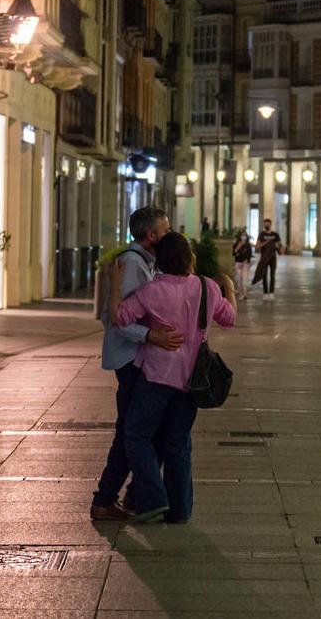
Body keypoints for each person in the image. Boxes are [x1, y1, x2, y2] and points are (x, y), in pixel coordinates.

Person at [110, 233, 236, 523]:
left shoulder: (152, 291)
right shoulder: (207, 287)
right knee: (178, 443)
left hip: (156, 377)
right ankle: (179, 510)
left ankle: (153, 499)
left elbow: (120, 317)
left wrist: (115, 284)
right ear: (189, 257)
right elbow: (229, 318)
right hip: (192, 380)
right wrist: (228, 288)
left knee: (136, 434)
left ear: (161, 261)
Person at [90, 207, 185, 522]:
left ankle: (132, 495)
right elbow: (116, 319)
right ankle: (107, 498)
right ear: (151, 235)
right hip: (130, 358)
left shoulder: (145, 262)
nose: (169, 233)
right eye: (165, 229)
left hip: (139, 356)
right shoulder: (132, 265)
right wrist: (151, 335)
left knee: (138, 430)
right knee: (131, 431)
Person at [251, 219, 283, 300]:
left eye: (268, 224)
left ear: (270, 224)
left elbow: (280, 245)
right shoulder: (262, 234)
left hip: (273, 257)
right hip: (264, 258)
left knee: (272, 275)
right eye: (265, 224)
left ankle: (271, 293)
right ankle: (265, 293)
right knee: (264, 275)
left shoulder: (275, 234)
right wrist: (266, 242)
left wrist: (278, 246)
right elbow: (257, 246)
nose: (267, 225)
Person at [232, 231, 253, 300]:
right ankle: (240, 294)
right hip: (238, 263)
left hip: (245, 264)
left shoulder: (248, 245)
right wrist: (238, 246)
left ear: (246, 237)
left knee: (244, 279)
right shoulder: (236, 244)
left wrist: (245, 262)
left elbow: (249, 255)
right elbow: (233, 253)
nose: (243, 237)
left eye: (245, 235)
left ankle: (245, 293)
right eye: (242, 235)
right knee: (238, 279)